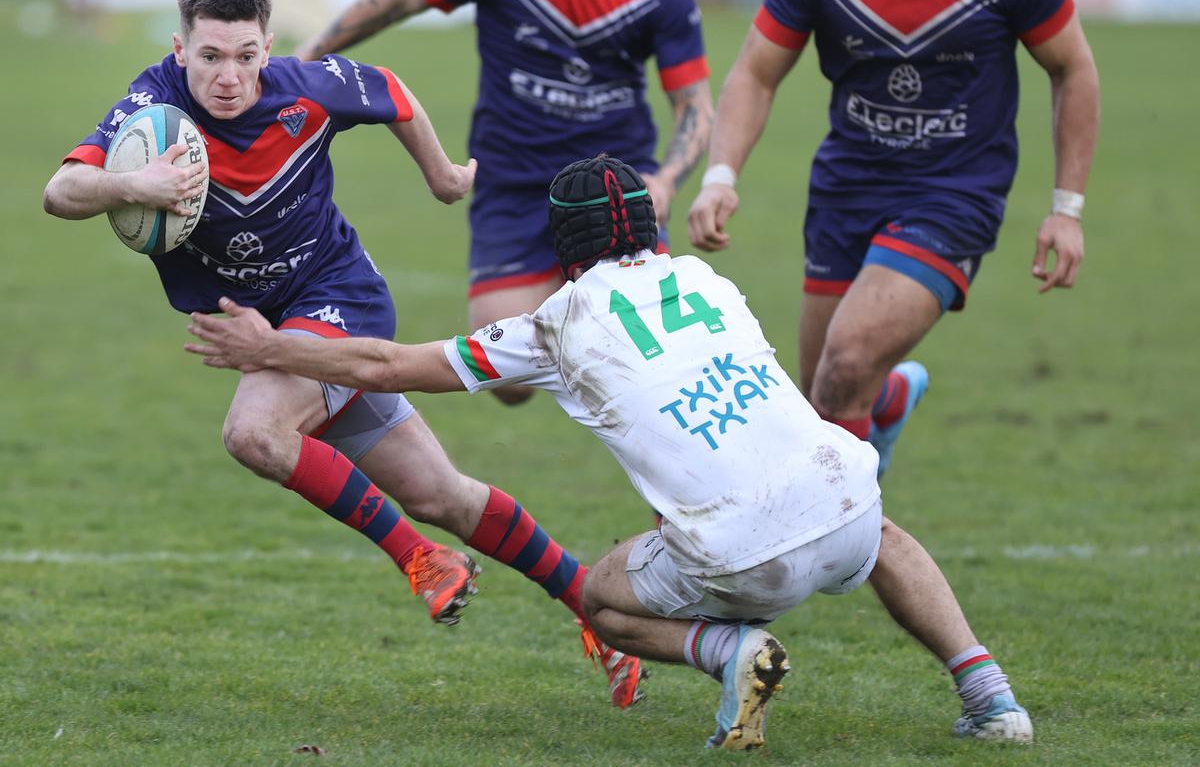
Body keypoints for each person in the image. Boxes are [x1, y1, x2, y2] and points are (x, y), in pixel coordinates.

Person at [186, 155, 1035, 750]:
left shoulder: (555, 323)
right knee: (879, 524)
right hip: (842, 501)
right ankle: (989, 693)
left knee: (600, 595)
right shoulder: (707, 280)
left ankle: (731, 653)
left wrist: (273, 350)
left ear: (565, 249)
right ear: (652, 227)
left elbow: (383, 364)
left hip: (739, 558)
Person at [42, 0, 643, 709]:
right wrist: (133, 187)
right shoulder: (152, 106)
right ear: (180, 49)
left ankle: (421, 561)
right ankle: (605, 620)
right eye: (209, 57)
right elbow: (60, 191)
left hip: (338, 302)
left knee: (255, 432)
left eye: (245, 55)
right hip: (273, 325)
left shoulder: (307, 87)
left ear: (268, 47)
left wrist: (444, 176)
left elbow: (391, 91)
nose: (228, 76)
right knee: (446, 496)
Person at [687, 0, 1100, 475]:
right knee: (826, 396)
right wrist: (720, 176)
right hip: (845, 192)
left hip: (954, 194)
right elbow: (755, 74)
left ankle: (845, 536)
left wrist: (1066, 209)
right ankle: (891, 399)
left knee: (846, 364)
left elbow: (1073, 69)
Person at [294, 0, 713, 404]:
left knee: (656, 367)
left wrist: (666, 180)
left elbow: (694, 106)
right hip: (513, 183)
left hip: (612, 188)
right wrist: (303, 64)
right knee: (507, 383)